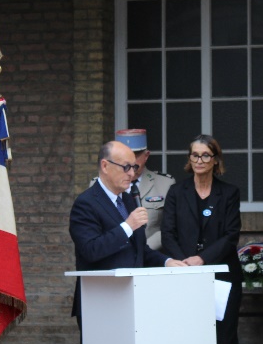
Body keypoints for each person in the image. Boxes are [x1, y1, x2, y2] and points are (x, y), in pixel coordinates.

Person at [69, 140, 186, 328]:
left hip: (133, 297)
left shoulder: (128, 199)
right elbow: (91, 250)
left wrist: (167, 262)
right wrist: (128, 226)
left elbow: (138, 250)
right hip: (100, 301)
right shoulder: (86, 203)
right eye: (126, 167)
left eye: (134, 167)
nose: (132, 174)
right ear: (105, 166)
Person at [161, 134, 243, 344]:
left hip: (222, 274)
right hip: (184, 273)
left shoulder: (229, 193)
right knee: (189, 334)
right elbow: (167, 233)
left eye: (206, 155)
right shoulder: (177, 192)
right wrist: (184, 263)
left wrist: (202, 258)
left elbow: (231, 235)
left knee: (224, 337)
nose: (200, 160)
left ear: (215, 159)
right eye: (195, 155)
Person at [113, 128, 175, 251]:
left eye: (135, 155)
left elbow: (169, 227)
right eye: (125, 155)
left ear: (146, 156)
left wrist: (142, 250)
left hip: (151, 254)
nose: (130, 161)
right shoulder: (103, 184)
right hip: (115, 254)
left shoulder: (165, 183)